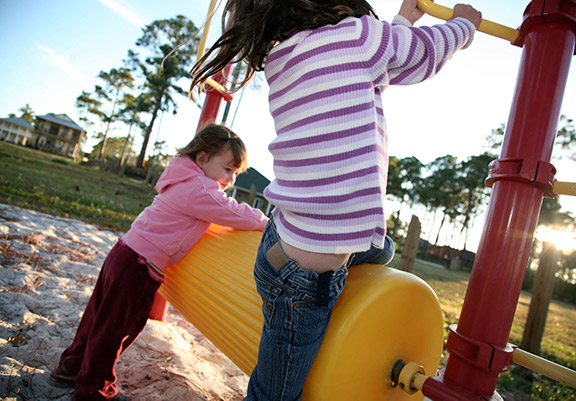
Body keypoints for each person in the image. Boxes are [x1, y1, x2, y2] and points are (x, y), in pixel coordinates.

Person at [190, 0, 482, 399]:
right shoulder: (358, 39)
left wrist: (402, 22)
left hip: (289, 239)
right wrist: (464, 26)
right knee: (276, 392)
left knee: (380, 248)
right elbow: (421, 54)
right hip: (301, 283)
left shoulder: (285, 56)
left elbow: (376, 67)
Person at [50, 124, 268, 401]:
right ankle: (92, 391)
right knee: (117, 330)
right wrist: (266, 222)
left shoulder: (180, 179)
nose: (230, 179)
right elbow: (234, 212)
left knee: (97, 319)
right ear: (202, 158)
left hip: (124, 251)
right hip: (138, 266)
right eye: (227, 169)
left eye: (235, 173)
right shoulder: (199, 189)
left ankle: (68, 369)